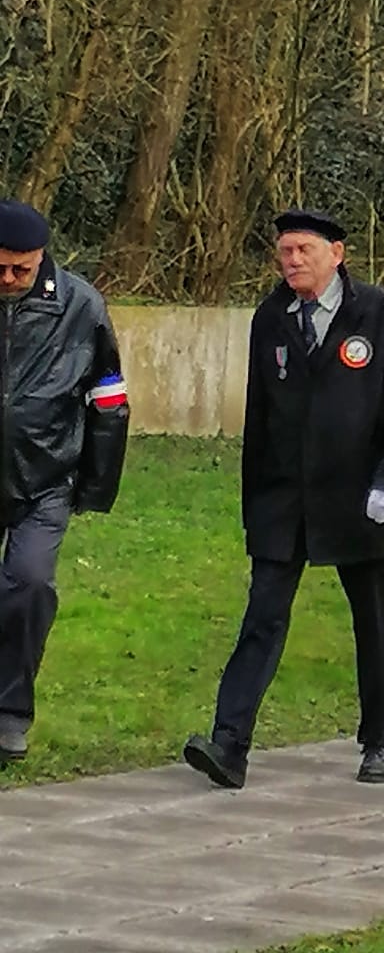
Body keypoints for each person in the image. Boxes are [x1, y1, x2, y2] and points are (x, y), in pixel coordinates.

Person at [184, 208, 384, 789]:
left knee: (371, 621)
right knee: (262, 616)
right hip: (285, 498)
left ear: (336, 255)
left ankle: (381, 739)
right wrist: (255, 504)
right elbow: (260, 414)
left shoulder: (379, 313)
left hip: (359, 494)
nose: (291, 261)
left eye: (304, 251)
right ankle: (229, 744)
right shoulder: (271, 317)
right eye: (285, 251)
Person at [0, 199, 129, 767]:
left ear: (41, 258)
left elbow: (109, 398)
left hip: (46, 475)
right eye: (0, 268)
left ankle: (9, 715)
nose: (9, 279)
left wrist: (96, 485)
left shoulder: (81, 305)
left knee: (29, 587)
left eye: (20, 269)